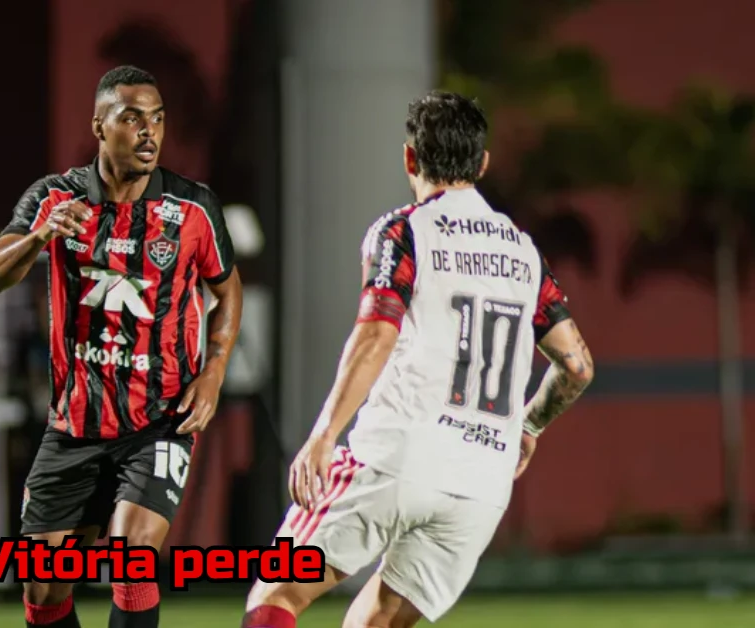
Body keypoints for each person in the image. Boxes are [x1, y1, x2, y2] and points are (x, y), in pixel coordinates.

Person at [241, 91, 595, 628]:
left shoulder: (405, 231)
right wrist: (528, 427)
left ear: (410, 158)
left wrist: (324, 433)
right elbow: (577, 367)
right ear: (482, 164)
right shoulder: (524, 252)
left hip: (398, 456)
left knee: (276, 595)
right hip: (481, 482)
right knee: (376, 621)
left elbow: (375, 335)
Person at [0, 64, 244, 628]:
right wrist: (42, 234)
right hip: (75, 423)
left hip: (159, 418)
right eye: (132, 118)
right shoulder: (54, 197)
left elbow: (227, 291)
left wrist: (215, 369)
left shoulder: (193, 208)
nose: (149, 131)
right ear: (99, 126)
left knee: (131, 559)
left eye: (158, 119)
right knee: (43, 588)